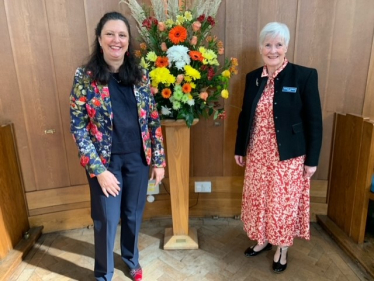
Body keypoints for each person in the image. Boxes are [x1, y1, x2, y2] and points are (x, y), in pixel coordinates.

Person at [69, 12, 166, 281]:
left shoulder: (141, 76)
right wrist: (99, 171)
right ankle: (103, 274)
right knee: (107, 221)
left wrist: (158, 160)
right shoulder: (85, 77)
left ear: (128, 41)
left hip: (137, 160)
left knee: (133, 216)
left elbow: (153, 119)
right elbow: (78, 127)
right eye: (110, 34)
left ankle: (131, 260)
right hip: (105, 163)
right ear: (100, 40)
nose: (116, 40)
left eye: (122, 35)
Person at [234, 22, 322, 273]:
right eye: (268, 45)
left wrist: (312, 160)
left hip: (289, 157)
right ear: (261, 47)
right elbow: (245, 116)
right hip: (257, 154)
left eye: (278, 44)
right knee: (259, 201)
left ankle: (281, 249)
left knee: (282, 205)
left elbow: (314, 121)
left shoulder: (303, 76)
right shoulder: (253, 78)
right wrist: (240, 148)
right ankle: (262, 240)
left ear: (286, 47)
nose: (273, 50)